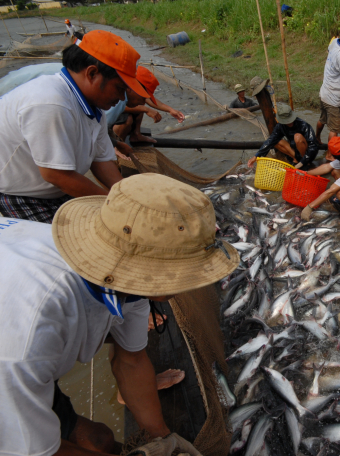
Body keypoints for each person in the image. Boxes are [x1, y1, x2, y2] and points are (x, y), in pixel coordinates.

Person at [0, 173, 238, 456]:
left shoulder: (124, 274)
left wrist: (163, 438)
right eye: (187, 271)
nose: (195, 282)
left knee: (99, 439)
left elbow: (131, 361)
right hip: (10, 359)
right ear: (149, 269)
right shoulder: (30, 335)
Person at [0, 30, 150, 223]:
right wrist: (114, 203)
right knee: (67, 248)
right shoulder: (51, 103)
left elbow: (101, 160)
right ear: (92, 73)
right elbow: (56, 174)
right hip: (22, 194)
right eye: (120, 89)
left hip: (57, 189)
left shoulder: (95, 108)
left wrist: (126, 197)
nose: (122, 98)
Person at [108, 66, 185, 147]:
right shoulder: (117, 93)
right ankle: (116, 146)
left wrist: (170, 110)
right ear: (133, 87)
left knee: (140, 106)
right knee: (128, 119)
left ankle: (136, 134)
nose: (143, 101)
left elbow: (148, 99)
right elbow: (118, 107)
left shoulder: (130, 92)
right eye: (143, 97)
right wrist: (146, 109)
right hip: (105, 133)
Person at [247, 103, 319, 170]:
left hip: (306, 154)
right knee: (275, 142)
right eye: (286, 121)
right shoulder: (280, 126)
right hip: (294, 151)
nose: (289, 122)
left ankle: (304, 163)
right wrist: (256, 156)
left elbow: (313, 146)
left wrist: (304, 160)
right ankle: (296, 159)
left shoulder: (303, 125)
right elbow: (270, 140)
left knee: (297, 137)